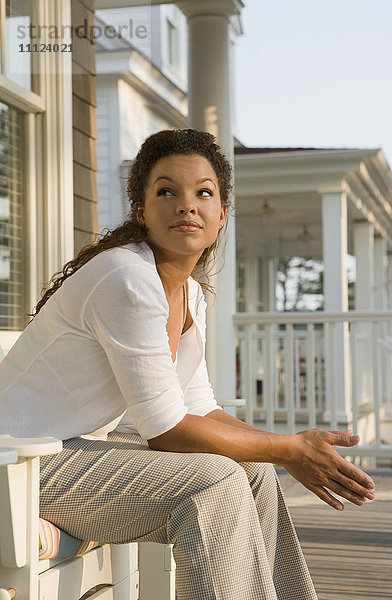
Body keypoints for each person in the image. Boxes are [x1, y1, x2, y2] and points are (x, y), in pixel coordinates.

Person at [0, 129, 375, 600]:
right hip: (20, 465)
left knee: (253, 470)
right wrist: (288, 449)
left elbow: (198, 408)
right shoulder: (127, 276)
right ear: (141, 211)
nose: (186, 204)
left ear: (221, 215)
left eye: (203, 192)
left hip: (70, 451)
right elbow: (166, 430)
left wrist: (282, 450)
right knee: (214, 481)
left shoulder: (189, 292)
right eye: (166, 191)